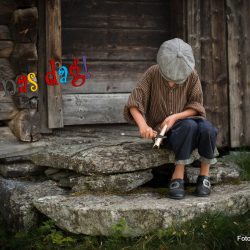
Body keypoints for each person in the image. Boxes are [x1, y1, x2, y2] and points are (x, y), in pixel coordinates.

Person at [123, 38, 218, 200]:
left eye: (177, 79)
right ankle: (178, 175)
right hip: (168, 134)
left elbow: (196, 104)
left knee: (207, 128)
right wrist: (143, 126)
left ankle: (204, 176)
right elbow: (134, 101)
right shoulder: (152, 73)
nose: (173, 82)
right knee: (188, 126)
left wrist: (175, 116)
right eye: (169, 78)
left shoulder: (192, 75)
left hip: (190, 126)